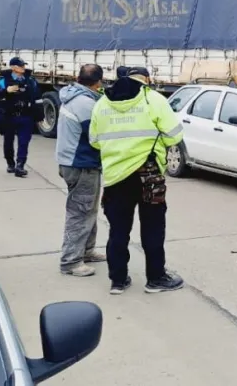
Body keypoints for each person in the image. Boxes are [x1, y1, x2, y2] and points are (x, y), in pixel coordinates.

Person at [89, 67, 185, 295]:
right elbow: (175, 135)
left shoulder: (102, 103)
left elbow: (94, 141)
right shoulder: (153, 100)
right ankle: (155, 279)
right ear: (146, 80)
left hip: (115, 177)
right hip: (148, 175)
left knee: (118, 231)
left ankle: (118, 281)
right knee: (153, 228)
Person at [55, 64, 107, 278]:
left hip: (73, 162)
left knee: (89, 209)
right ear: (98, 82)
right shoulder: (85, 103)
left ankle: (86, 250)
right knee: (80, 212)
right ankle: (71, 261)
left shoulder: (73, 96)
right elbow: (96, 136)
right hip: (81, 164)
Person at [0, 57, 40, 177]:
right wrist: (6, 90)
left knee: (24, 142)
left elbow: (37, 97)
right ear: (13, 68)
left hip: (25, 115)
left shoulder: (30, 80)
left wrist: (38, 115)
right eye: (20, 66)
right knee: (8, 141)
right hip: (8, 116)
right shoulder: (2, 81)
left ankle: (20, 165)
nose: (23, 68)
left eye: (23, 65)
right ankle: (10, 163)